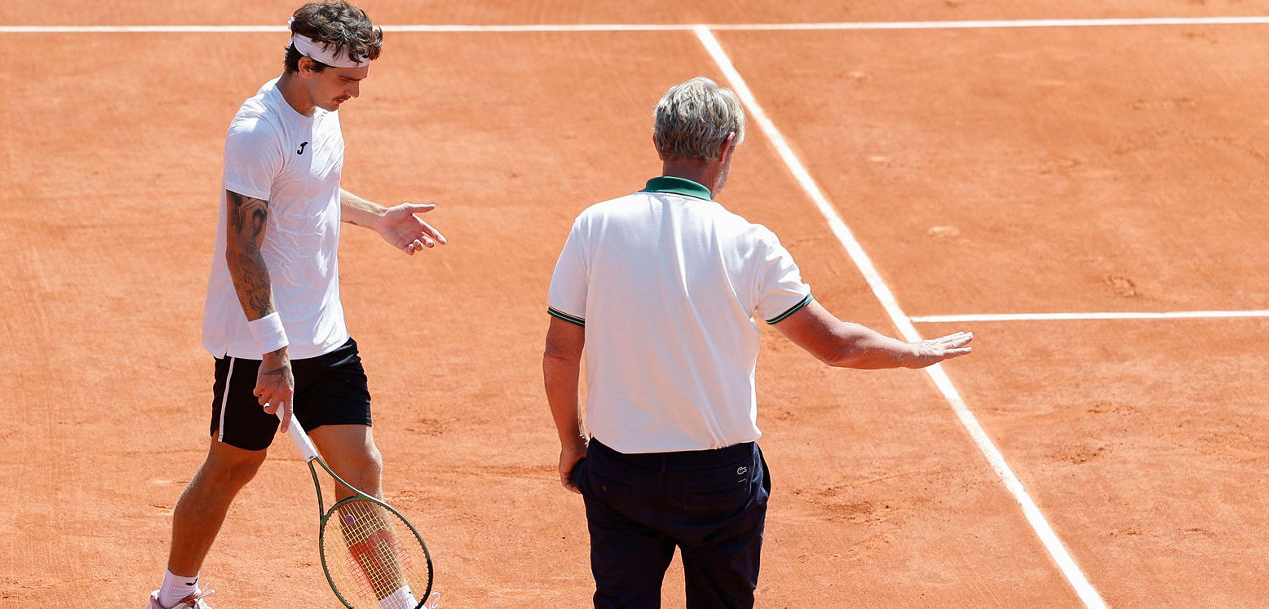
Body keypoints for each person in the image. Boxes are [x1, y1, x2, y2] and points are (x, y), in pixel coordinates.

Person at [542, 76, 974, 609]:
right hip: (718, 481)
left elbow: (561, 351)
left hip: (619, 472)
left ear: (659, 144)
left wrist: (572, 444)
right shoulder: (750, 244)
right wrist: (915, 353)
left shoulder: (593, 226)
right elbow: (836, 345)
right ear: (726, 148)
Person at [143, 3, 446, 609]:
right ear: (306, 64)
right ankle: (175, 595)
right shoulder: (258, 131)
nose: (355, 93)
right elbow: (242, 249)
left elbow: (315, 190)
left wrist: (378, 219)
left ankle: (396, 602)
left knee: (360, 469)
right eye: (346, 81)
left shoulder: (322, 110)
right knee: (231, 468)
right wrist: (275, 355)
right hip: (257, 344)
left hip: (326, 337)